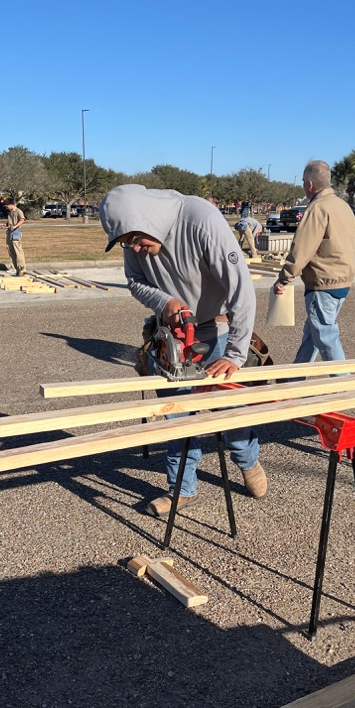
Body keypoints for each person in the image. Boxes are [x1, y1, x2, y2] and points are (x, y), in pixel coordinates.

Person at [99, 183, 267, 516]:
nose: (136, 249)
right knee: (175, 416)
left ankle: (247, 460)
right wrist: (164, 301)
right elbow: (135, 282)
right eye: (127, 244)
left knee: (228, 409)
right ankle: (181, 489)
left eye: (136, 241)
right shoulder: (131, 234)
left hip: (216, 328)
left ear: (145, 220)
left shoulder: (200, 218)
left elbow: (241, 289)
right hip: (172, 333)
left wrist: (235, 353)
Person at [273, 160, 355, 364]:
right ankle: (294, 380)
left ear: (310, 185)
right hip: (342, 279)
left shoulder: (317, 209)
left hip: (323, 282)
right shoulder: (343, 206)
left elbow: (302, 249)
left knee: (326, 336)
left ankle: (343, 386)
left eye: (303, 181)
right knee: (313, 334)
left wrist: (284, 279)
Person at [2, 197, 27, 276]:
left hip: (16, 232)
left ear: (11, 204)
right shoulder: (10, 212)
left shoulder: (18, 211)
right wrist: (5, 225)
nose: (6, 207)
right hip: (9, 231)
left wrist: (15, 226)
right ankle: (13, 267)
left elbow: (22, 220)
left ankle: (22, 268)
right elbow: (10, 222)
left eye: (7, 206)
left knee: (18, 250)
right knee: (10, 250)